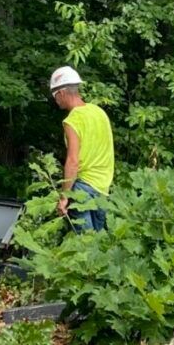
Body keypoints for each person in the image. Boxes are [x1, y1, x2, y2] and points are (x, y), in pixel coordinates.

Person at [49, 66, 115, 231]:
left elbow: (73, 161)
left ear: (62, 93)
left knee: (84, 245)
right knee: (98, 244)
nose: (55, 100)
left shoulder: (72, 120)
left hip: (82, 188)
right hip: (103, 188)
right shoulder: (99, 112)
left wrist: (64, 197)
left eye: (55, 95)